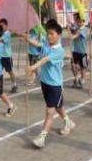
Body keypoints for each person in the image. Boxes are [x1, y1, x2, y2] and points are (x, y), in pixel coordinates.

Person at [26, 20, 75, 148]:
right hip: (45, 82)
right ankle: (67, 121)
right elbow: (40, 45)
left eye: (52, 34)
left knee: (49, 111)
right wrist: (28, 39)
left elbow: (44, 59)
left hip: (55, 85)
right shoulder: (47, 45)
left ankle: (42, 137)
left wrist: (33, 67)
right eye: (48, 34)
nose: (49, 36)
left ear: (59, 35)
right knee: (58, 106)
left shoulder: (59, 51)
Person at [0, 19, 18, 93]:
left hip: (7, 56)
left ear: (6, 26)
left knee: (9, 71)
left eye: (2, 25)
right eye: (0, 25)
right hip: (0, 56)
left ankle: (14, 84)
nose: (1, 27)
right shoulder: (1, 33)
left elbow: (0, 40)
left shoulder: (7, 33)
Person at [69, 14, 89, 89]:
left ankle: (82, 79)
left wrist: (72, 36)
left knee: (83, 67)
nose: (79, 23)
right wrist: (70, 28)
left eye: (81, 21)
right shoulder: (76, 28)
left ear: (84, 22)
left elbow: (77, 35)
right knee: (73, 65)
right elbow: (72, 31)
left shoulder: (85, 30)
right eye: (78, 21)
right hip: (75, 50)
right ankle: (76, 77)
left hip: (83, 51)